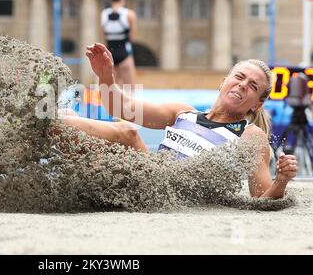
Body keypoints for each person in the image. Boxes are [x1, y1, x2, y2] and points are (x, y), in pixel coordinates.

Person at [62, 43, 298, 200]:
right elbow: (122, 107)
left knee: (128, 133)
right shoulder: (182, 113)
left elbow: (261, 198)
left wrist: (281, 182)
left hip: (169, 194)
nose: (243, 85)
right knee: (75, 125)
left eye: (253, 86)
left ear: (256, 104)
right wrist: (105, 77)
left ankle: (47, 121)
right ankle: (39, 138)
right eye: (239, 77)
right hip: (142, 179)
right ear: (224, 82)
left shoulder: (250, 135)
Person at [101, 0, 137, 89]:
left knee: (113, 91)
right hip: (124, 53)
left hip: (110, 54)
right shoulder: (130, 14)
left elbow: (104, 35)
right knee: (129, 90)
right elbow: (132, 37)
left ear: (111, 0)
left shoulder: (103, 14)